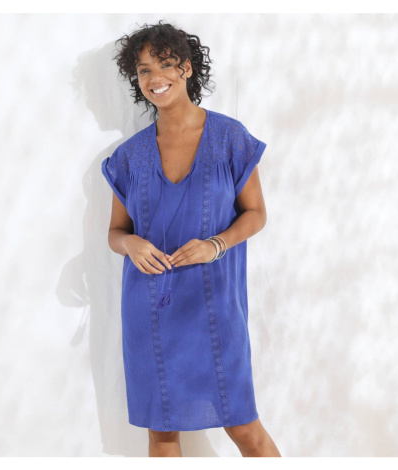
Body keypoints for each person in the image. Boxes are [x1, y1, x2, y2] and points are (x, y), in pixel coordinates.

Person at [101, 20, 281, 458]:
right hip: (149, 310)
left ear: (186, 68)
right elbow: (115, 232)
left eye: (164, 64)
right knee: (161, 434)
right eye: (143, 70)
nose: (154, 78)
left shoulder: (229, 138)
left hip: (215, 306)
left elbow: (256, 214)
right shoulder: (129, 156)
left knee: (245, 429)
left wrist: (215, 245)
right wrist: (131, 244)